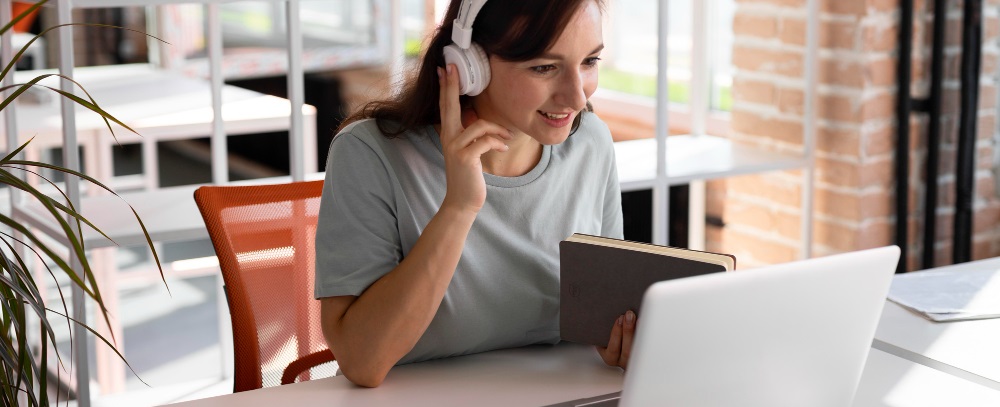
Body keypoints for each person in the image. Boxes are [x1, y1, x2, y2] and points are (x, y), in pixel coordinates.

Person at [314, 0, 634, 388]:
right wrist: (460, 207)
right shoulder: (370, 153)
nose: (577, 98)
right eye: (544, 67)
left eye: (589, 62)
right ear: (470, 66)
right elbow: (363, 362)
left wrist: (615, 337)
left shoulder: (590, 142)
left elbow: (605, 307)